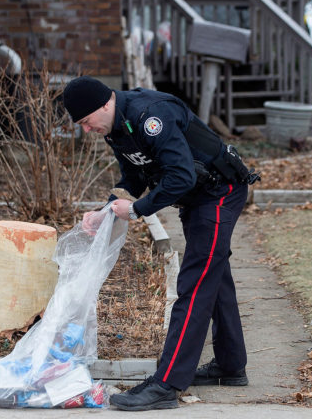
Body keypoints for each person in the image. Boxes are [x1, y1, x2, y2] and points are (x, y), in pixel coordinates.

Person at [62, 76, 259, 411]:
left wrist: (137, 210)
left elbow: (180, 175)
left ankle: (167, 384)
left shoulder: (150, 116)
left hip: (219, 193)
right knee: (214, 276)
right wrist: (104, 211)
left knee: (194, 285)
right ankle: (230, 364)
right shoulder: (117, 128)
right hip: (197, 197)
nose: (86, 129)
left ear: (104, 104)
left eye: (85, 121)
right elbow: (134, 178)